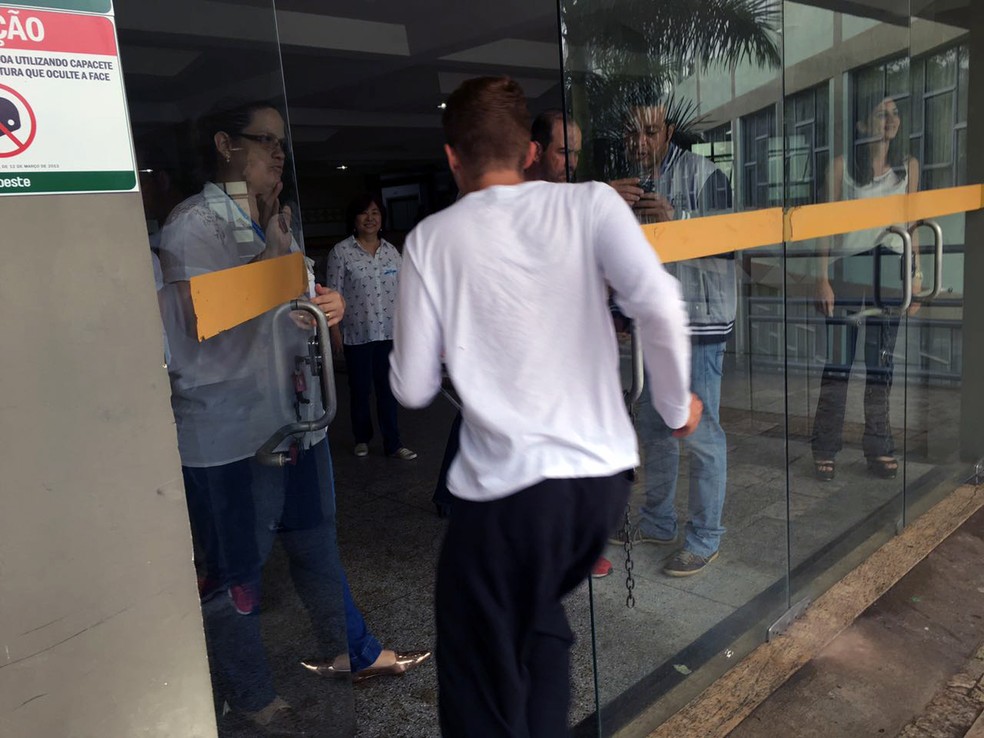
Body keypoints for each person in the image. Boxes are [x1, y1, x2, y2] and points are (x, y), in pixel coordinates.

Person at [389, 76, 700, 737]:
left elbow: (413, 389)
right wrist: (675, 409)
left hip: (505, 499)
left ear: (452, 158)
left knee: (477, 669)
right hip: (599, 491)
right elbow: (660, 307)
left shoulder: (431, 241)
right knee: (536, 621)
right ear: (530, 152)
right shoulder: (591, 206)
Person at [156, 100, 428, 736]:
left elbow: (294, 308)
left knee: (314, 545)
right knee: (237, 573)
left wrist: (325, 303)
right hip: (228, 434)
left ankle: (354, 652)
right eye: (263, 141)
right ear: (224, 144)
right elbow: (206, 331)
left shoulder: (273, 221)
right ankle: (251, 694)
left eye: (282, 143)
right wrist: (278, 258)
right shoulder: (193, 226)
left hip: (295, 419)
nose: (277, 154)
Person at [607, 97, 736, 577]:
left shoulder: (705, 176)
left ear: (668, 132)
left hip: (700, 324)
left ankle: (704, 538)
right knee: (656, 430)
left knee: (701, 433)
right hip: (653, 325)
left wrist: (676, 223)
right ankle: (658, 521)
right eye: (631, 134)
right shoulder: (627, 186)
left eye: (650, 132)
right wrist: (621, 311)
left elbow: (730, 247)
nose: (639, 143)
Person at [811, 93, 921, 481]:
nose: (890, 119)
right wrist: (822, 278)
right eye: (881, 113)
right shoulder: (842, 168)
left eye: (894, 113)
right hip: (848, 271)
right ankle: (825, 447)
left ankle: (878, 447)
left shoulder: (907, 169)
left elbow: (913, 226)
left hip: (889, 272)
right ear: (862, 125)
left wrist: (916, 277)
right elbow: (824, 228)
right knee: (838, 367)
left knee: (881, 368)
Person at [325, 194, 417, 460]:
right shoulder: (341, 253)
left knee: (388, 391)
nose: (370, 218)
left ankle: (393, 443)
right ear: (354, 220)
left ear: (381, 218)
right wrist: (334, 331)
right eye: (364, 213)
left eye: (375, 212)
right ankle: (362, 438)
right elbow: (333, 293)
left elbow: (404, 295)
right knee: (360, 390)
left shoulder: (391, 252)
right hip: (357, 335)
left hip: (388, 334)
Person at [526, 108, 582, 183]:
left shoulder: (571, 192)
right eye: (564, 152)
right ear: (537, 152)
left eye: (576, 153)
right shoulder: (512, 191)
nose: (572, 164)